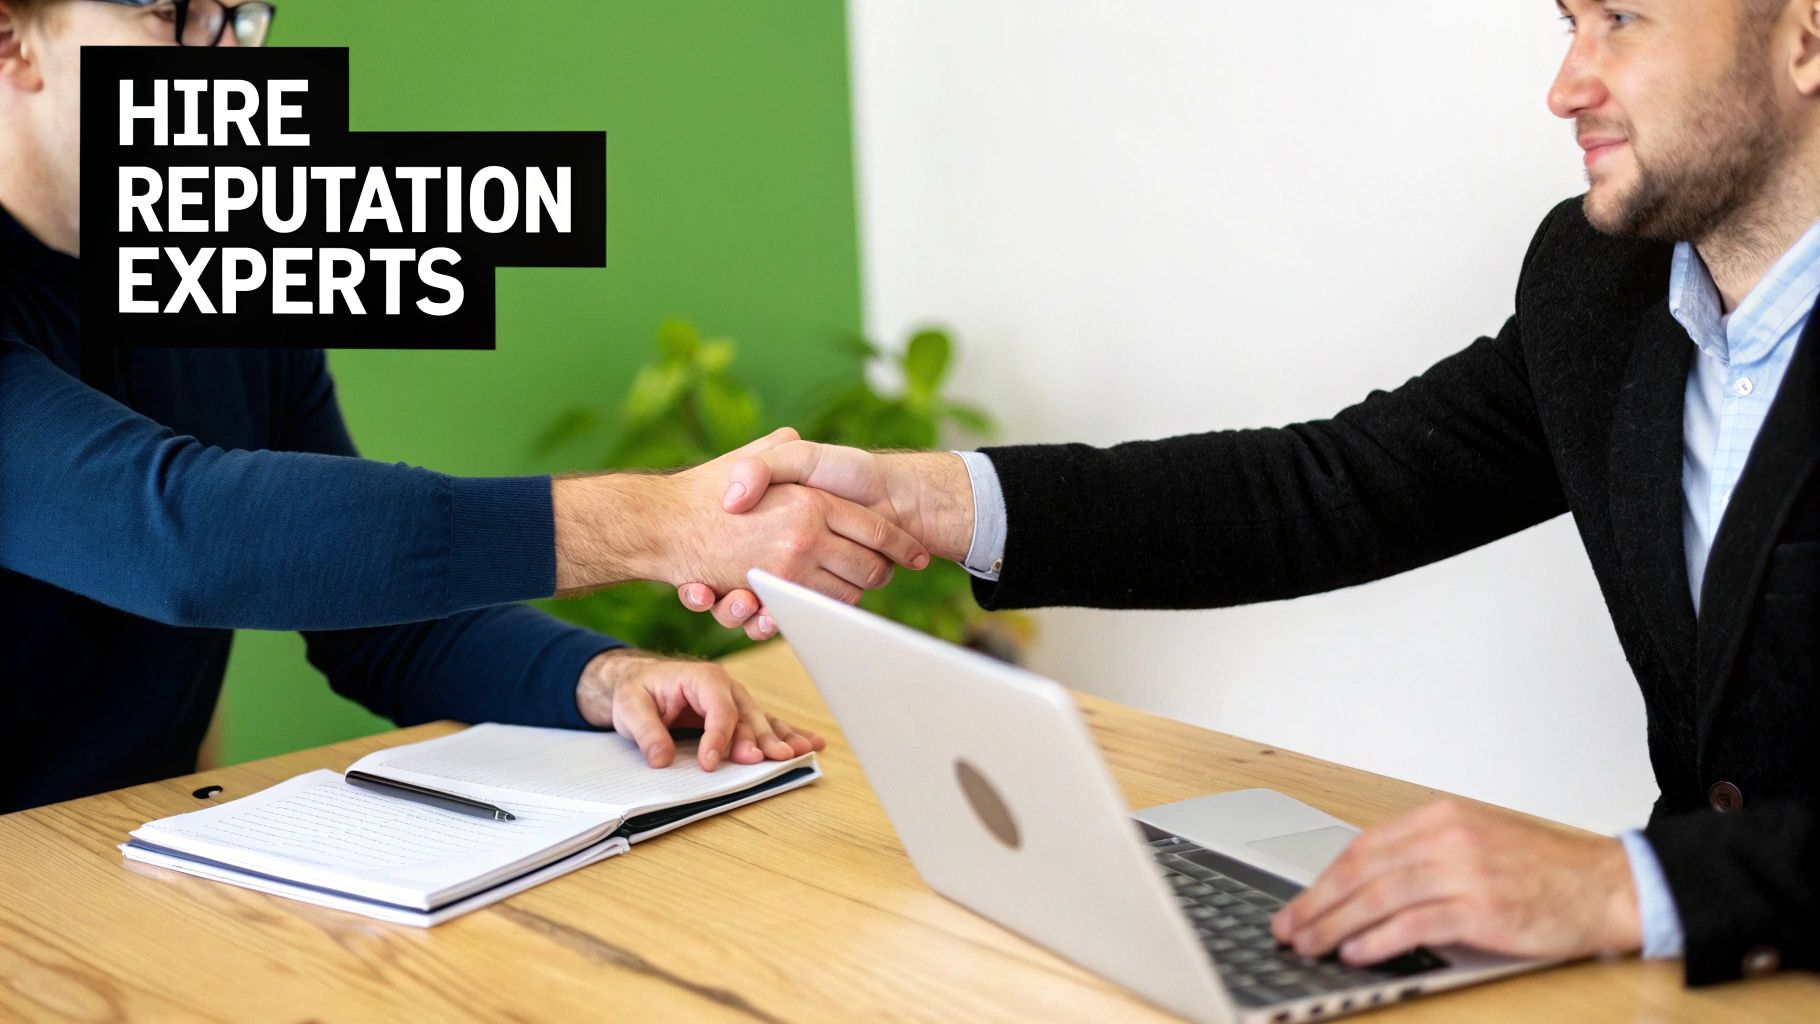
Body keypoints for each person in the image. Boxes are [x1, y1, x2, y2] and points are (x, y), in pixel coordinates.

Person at [680, 0, 1820, 987]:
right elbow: (1331, 487)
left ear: (1804, 36)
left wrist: (1624, 883)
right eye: (1566, 22)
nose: (1564, 86)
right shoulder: (1602, 284)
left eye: (1621, 19)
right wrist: (937, 502)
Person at [0, 0, 930, 813]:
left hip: (120, 863)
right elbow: (184, 535)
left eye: (238, 18)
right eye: (172, 15)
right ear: (12, 39)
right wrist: (659, 522)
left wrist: (600, 677)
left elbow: (379, 612)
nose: (230, 58)